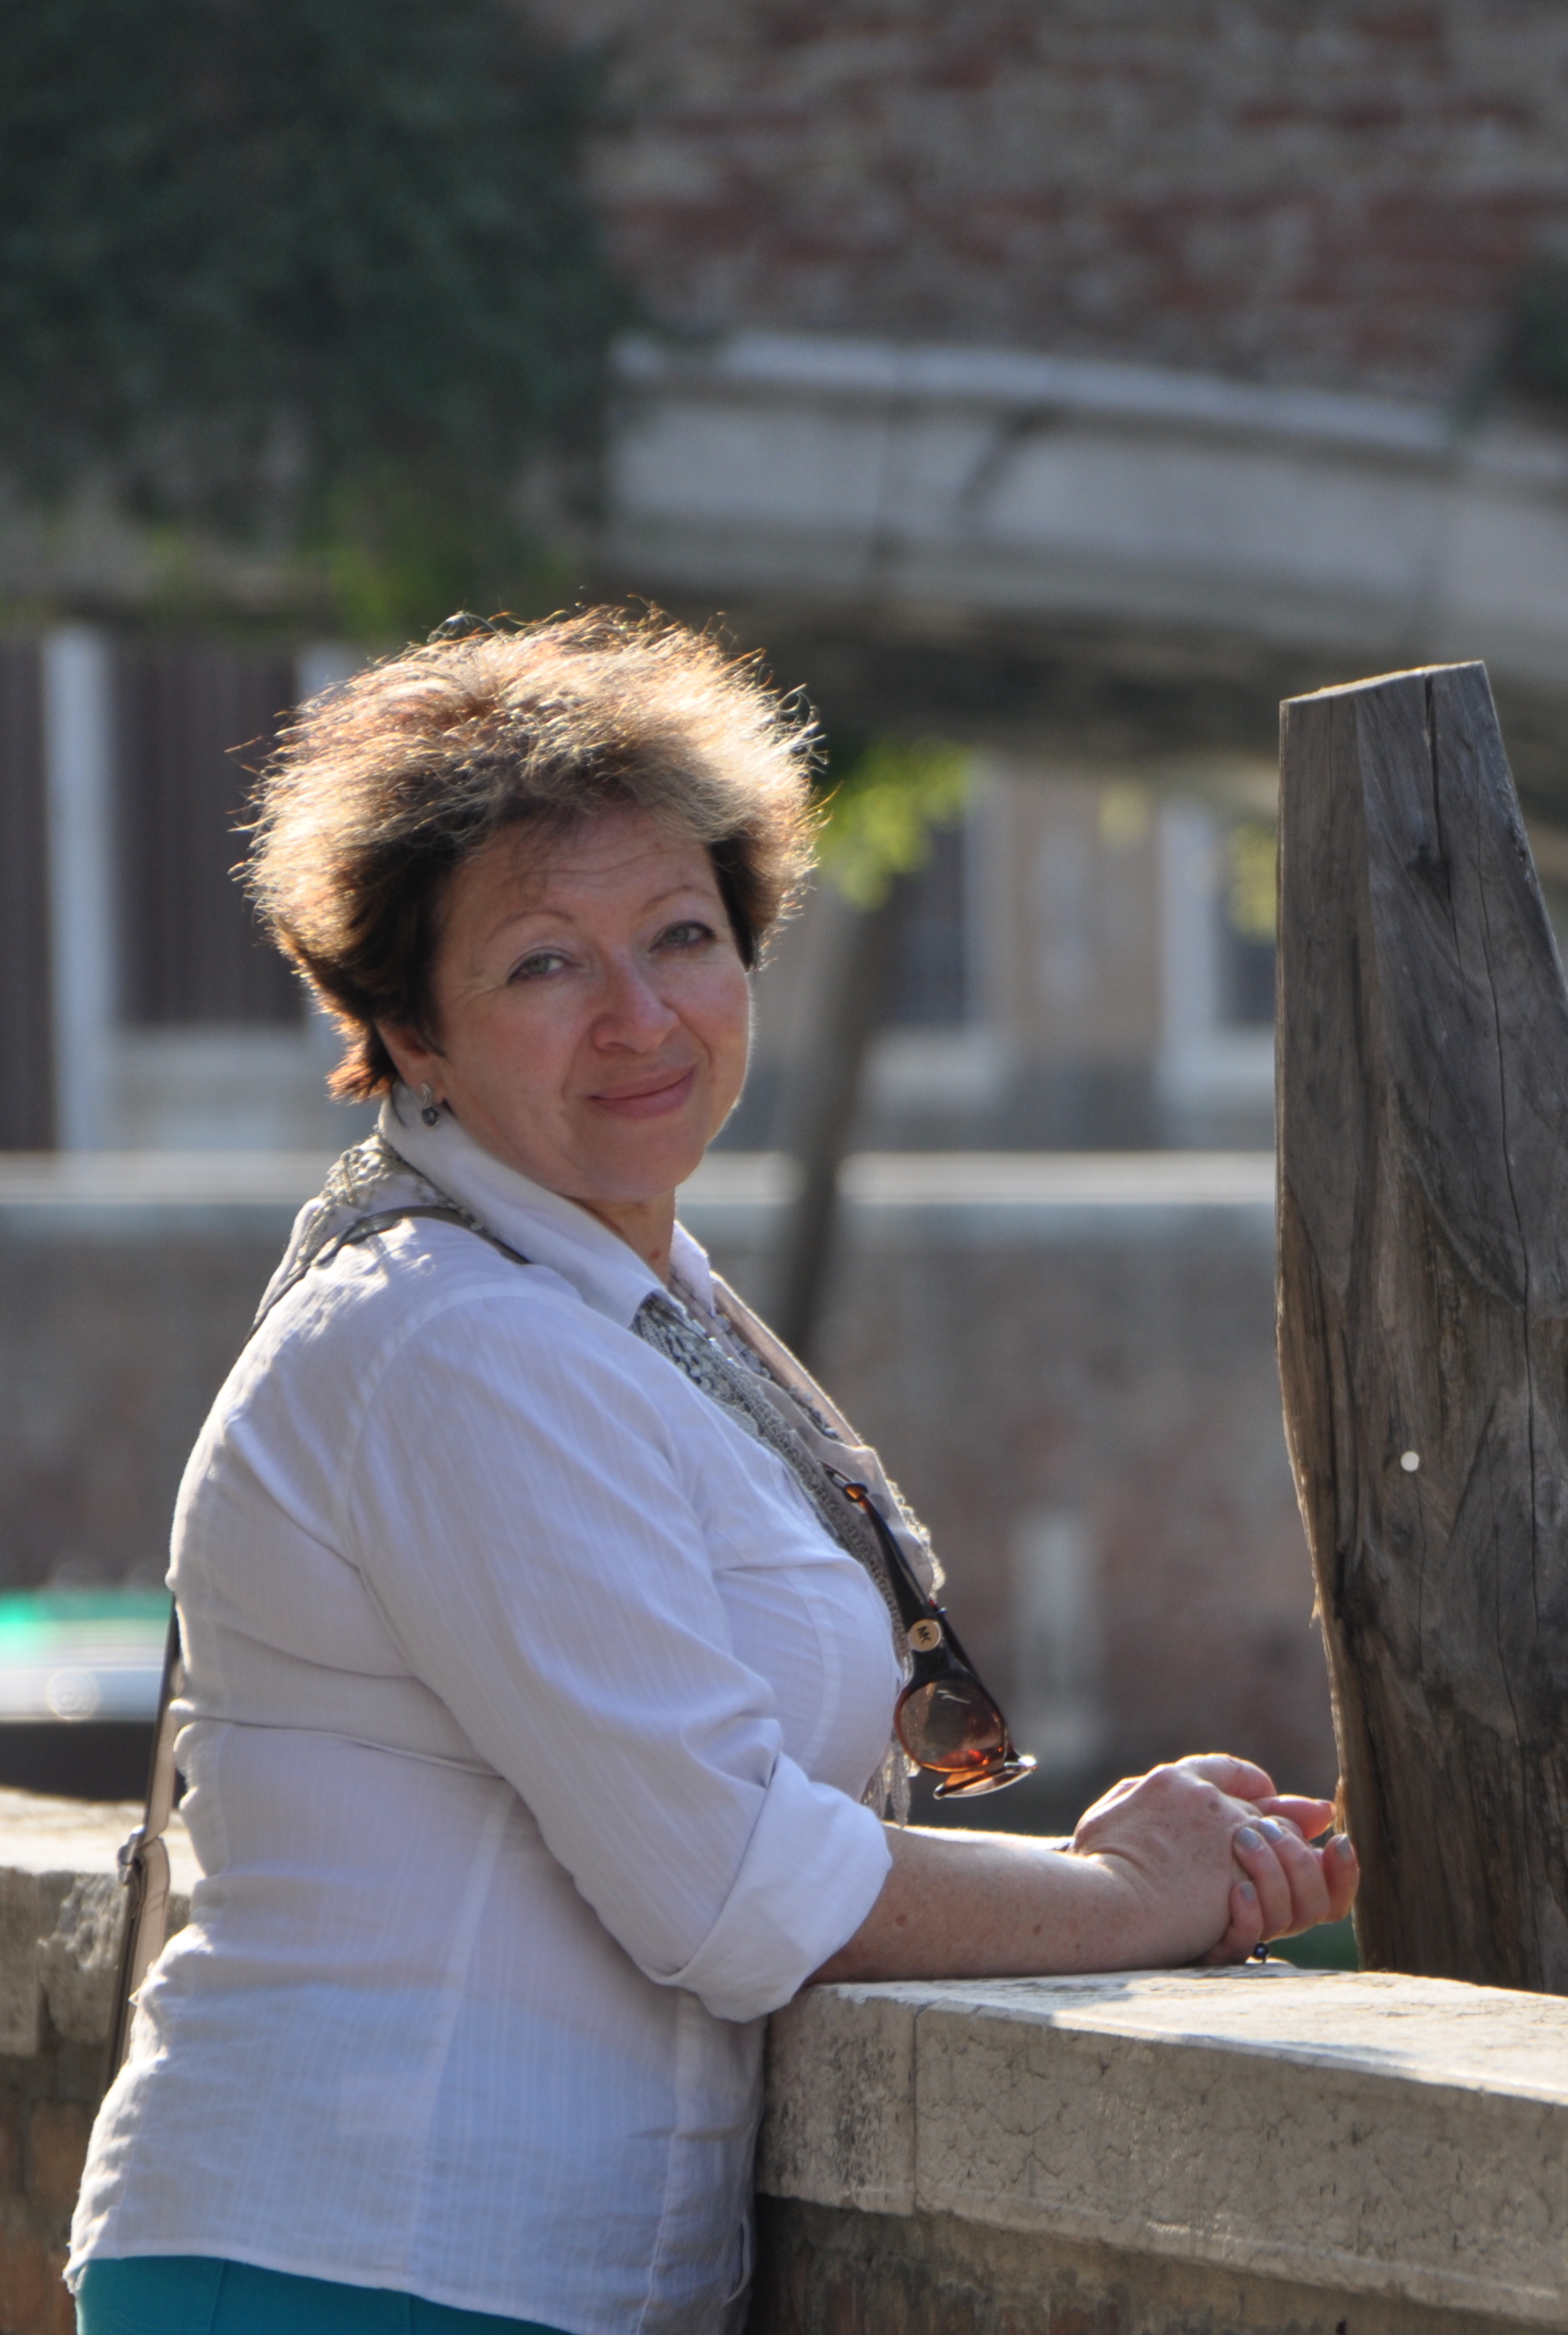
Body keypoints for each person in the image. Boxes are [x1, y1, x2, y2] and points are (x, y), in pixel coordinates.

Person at [69, 610, 1356, 2335]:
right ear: (410, 1028)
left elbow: (718, 1812)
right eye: (544, 964)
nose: (638, 1017)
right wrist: (1130, 1895)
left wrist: (1104, 1868)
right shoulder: (460, 1342)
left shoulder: (620, 1303)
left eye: (682, 936)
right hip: (358, 2265)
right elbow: (733, 1887)